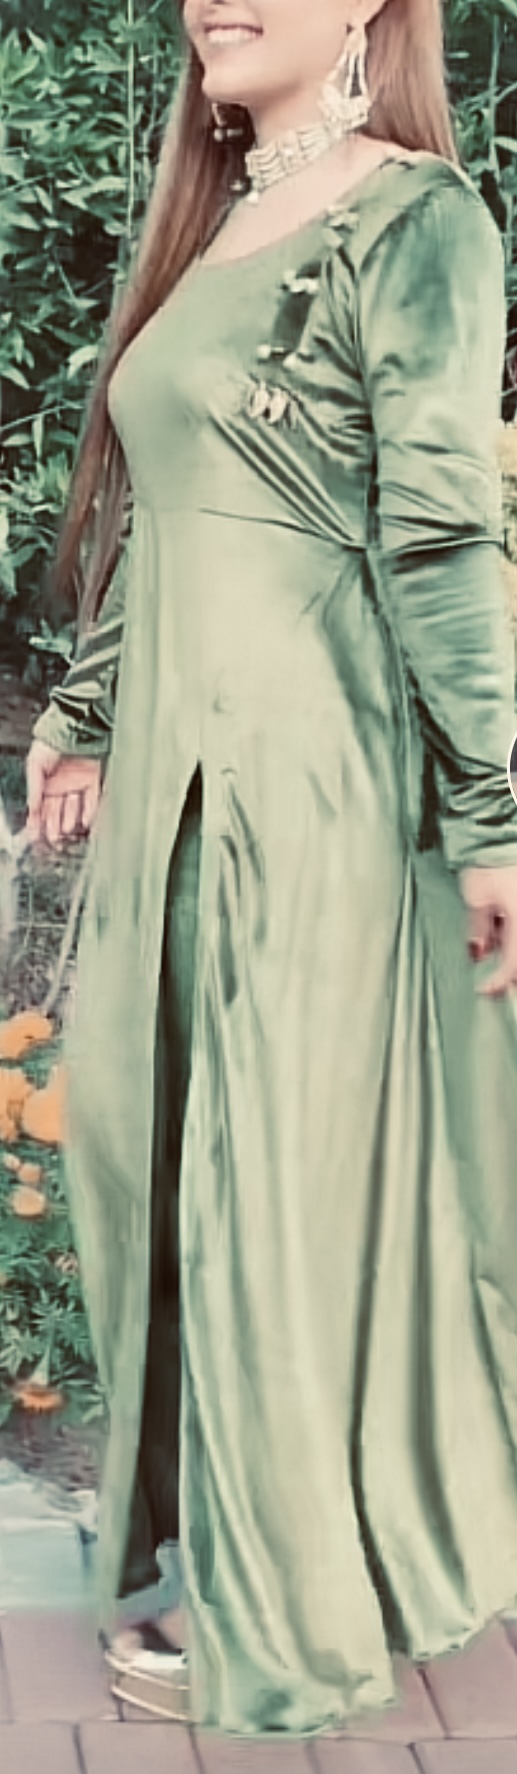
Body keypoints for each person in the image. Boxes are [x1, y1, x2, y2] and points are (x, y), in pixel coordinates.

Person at [25, 0, 517, 1742]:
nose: (208, 0)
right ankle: (237, 1547)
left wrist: (490, 811)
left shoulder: (415, 219)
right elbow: (163, 508)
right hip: (175, 766)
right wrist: (85, 709)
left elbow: (441, 530)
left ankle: (286, 1608)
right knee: (147, 1157)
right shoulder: (219, 217)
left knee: (264, 1188)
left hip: (307, 781)